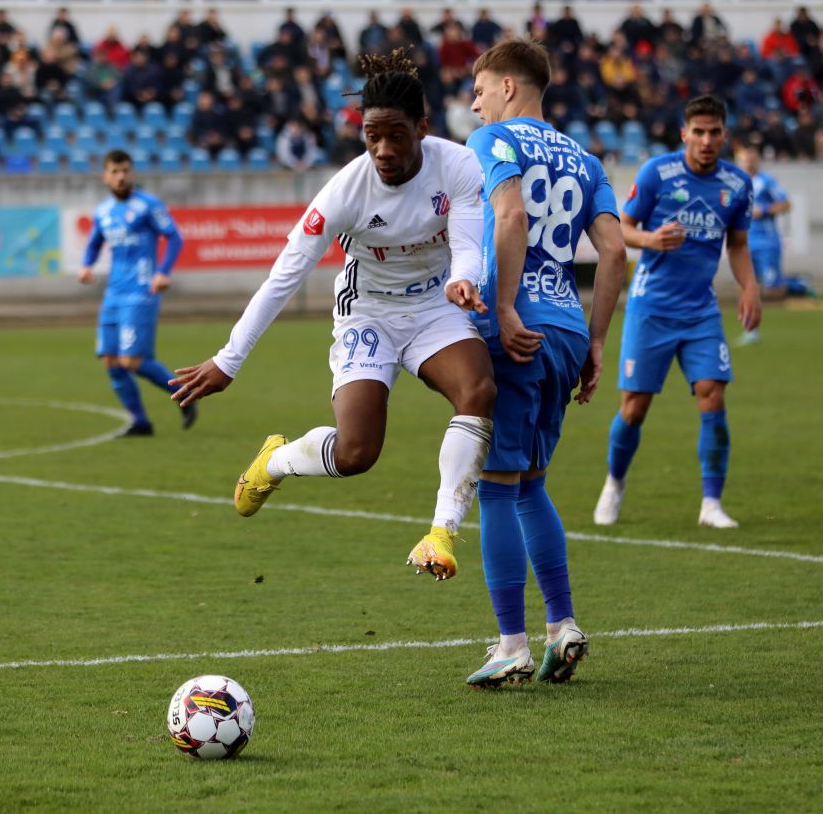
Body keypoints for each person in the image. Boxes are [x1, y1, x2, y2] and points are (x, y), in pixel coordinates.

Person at [168, 49, 496, 582]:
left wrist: (466, 279)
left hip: (436, 306)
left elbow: (466, 243)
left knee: (479, 391)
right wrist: (229, 360)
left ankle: (441, 532)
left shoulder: (458, 165)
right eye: (372, 137)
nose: (383, 150)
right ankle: (276, 460)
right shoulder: (345, 191)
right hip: (367, 315)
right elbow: (285, 275)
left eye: (396, 135)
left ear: (422, 127)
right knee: (356, 452)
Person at [464, 38, 627, 688]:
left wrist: (503, 307)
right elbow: (613, 252)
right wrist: (594, 342)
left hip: (516, 326)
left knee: (495, 485)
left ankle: (510, 643)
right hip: (563, 327)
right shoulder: (586, 160)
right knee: (531, 482)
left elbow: (510, 215)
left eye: (479, 89)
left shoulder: (494, 143)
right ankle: (562, 626)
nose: (473, 103)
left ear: (509, 87)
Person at [594, 94, 761, 530]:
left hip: (701, 311)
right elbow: (621, 228)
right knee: (634, 408)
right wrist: (650, 240)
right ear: (685, 134)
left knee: (713, 394)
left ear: (725, 135)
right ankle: (614, 482)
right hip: (650, 308)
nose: (707, 141)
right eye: (699, 132)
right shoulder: (657, 174)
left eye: (715, 132)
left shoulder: (737, 185)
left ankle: (711, 503)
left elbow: (738, 245)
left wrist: (750, 288)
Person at [79, 150, 195, 437]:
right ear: (105, 176)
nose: (121, 177)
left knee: (132, 361)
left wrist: (163, 271)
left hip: (141, 291)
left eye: (126, 171)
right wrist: (86, 265)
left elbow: (174, 237)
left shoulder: (147, 205)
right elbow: (94, 243)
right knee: (110, 360)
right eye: (115, 172)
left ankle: (183, 393)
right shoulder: (103, 211)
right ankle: (140, 422)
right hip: (113, 294)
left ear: (132, 173)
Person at [735, 144, 813, 344]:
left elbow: (787, 203)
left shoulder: (766, 181)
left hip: (767, 242)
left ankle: (797, 284)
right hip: (743, 243)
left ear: (758, 160)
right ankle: (751, 331)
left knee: (772, 290)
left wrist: (766, 210)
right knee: (745, 287)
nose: (749, 161)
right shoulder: (734, 183)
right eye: (745, 158)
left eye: (752, 158)